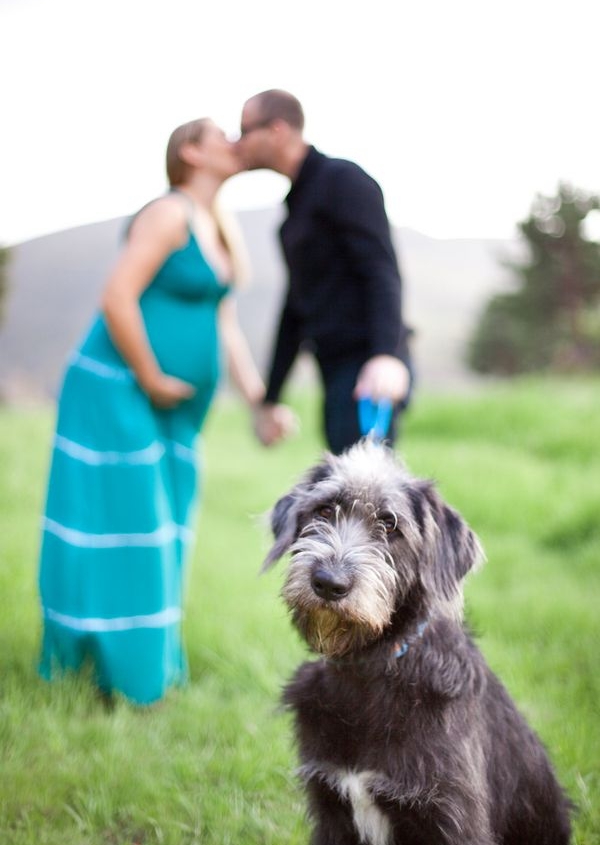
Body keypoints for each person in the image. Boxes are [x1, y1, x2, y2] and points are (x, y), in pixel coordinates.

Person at [38, 118, 293, 706]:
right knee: (132, 529)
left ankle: (136, 669)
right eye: (221, 135)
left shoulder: (218, 228)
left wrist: (260, 399)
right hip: (117, 388)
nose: (236, 142)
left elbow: (224, 326)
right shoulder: (168, 212)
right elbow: (117, 295)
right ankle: (121, 682)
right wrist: (151, 376)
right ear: (191, 152)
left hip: (177, 413)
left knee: (169, 529)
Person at [237, 89, 413, 455]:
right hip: (334, 372)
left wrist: (385, 355)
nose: (238, 144)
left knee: (365, 493)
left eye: (245, 131)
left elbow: (381, 270)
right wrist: (270, 399)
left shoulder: (342, 181)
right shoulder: (293, 214)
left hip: (369, 371)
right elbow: (295, 310)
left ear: (278, 129)